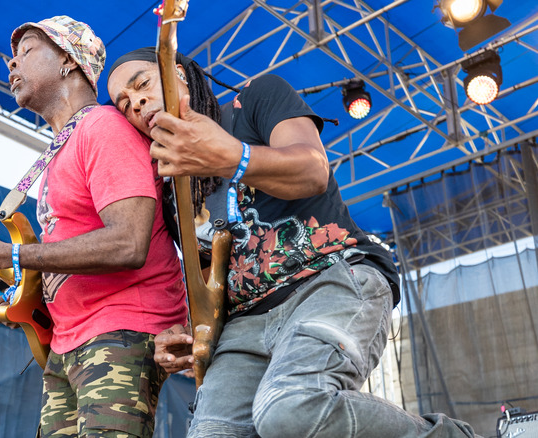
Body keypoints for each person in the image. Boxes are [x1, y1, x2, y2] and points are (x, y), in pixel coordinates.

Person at [107, 48, 479, 437]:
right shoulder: (173, 192)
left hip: (330, 279)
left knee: (291, 408)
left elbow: (312, 171)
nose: (137, 103)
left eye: (142, 84)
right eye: (125, 103)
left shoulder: (255, 97)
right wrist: (189, 333)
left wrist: (230, 157)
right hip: (245, 325)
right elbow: (210, 285)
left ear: (177, 73)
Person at [0, 16, 186, 438]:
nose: (11, 65)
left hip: (120, 327)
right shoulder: (61, 147)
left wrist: (9, 254)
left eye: (27, 52)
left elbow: (128, 242)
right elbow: (62, 257)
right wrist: (3, 259)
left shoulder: (103, 128)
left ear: (69, 61)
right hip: (67, 342)